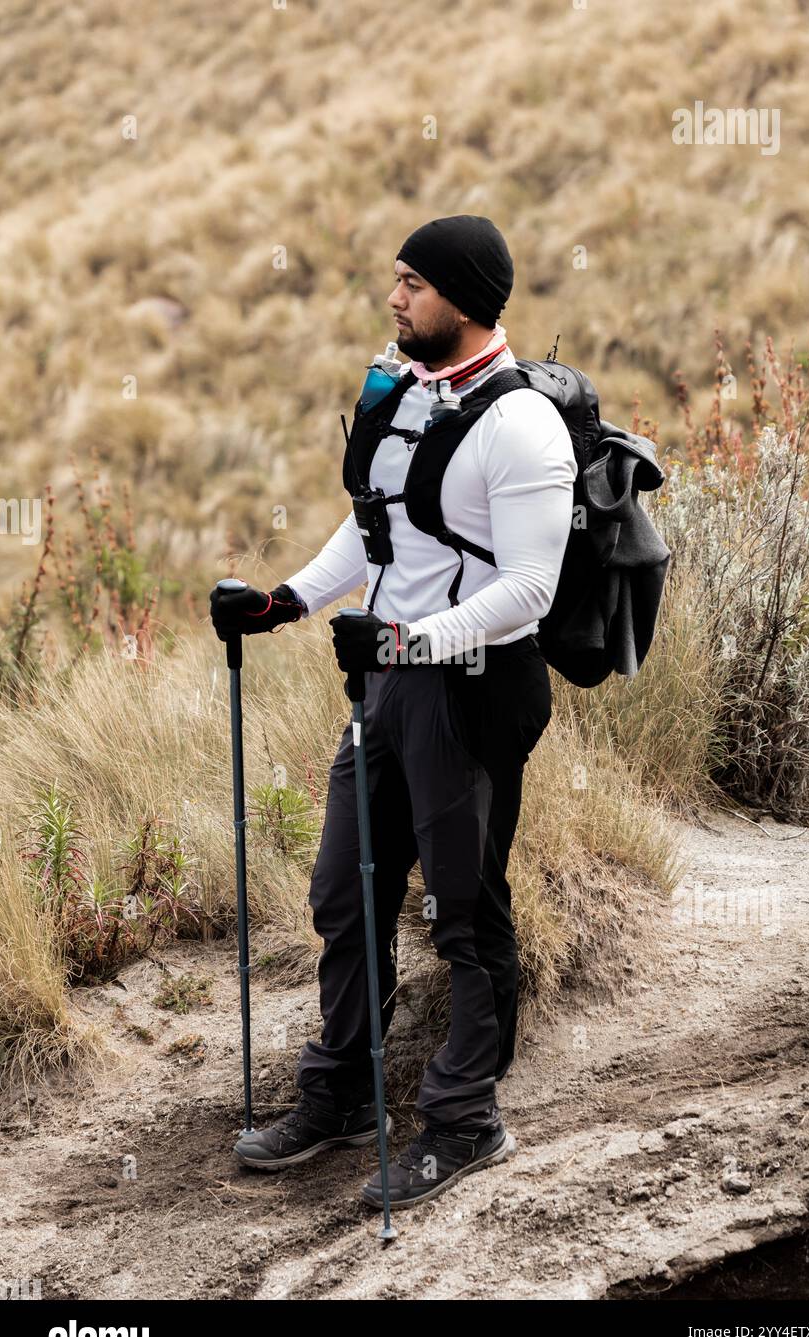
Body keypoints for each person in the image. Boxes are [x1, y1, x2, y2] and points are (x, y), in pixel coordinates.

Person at [210, 214, 577, 1210]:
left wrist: (404, 643)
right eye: (395, 279)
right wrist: (283, 600)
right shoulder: (403, 393)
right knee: (343, 888)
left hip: (471, 691)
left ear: (464, 297)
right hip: (384, 682)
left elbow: (529, 590)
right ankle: (342, 1090)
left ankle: (465, 1121)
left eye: (412, 282)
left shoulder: (520, 427)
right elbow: (372, 532)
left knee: (461, 909)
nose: (394, 296)